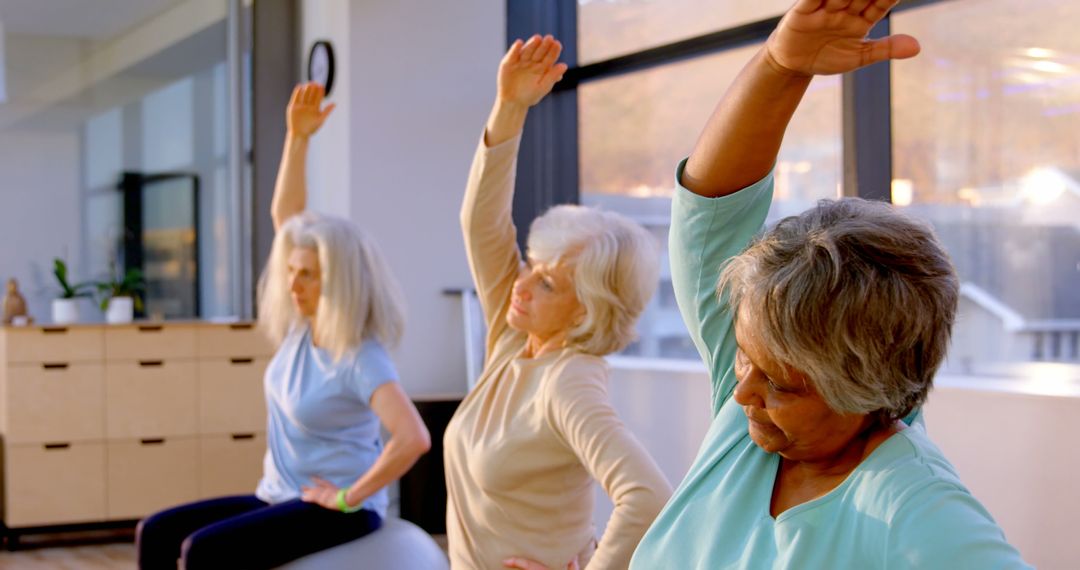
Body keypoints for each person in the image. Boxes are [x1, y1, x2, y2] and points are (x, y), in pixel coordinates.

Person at [628, 1, 1031, 568]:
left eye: (784, 385)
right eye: (744, 359)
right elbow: (709, 210)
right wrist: (781, 66)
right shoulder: (749, 421)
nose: (741, 390)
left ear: (867, 390)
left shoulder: (913, 507)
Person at [136, 83, 431, 569]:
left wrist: (348, 496)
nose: (293, 284)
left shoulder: (359, 354)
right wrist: (298, 139)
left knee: (202, 552)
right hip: (277, 494)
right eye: (291, 272)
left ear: (337, 281)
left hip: (337, 510)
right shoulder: (303, 327)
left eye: (307, 275)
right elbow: (286, 218)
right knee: (158, 532)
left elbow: (413, 437)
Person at [443, 35, 673, 570]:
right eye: (530, 266)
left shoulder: (567, 380)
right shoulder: (513, 338)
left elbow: (649, 498)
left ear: (587, 309)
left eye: (548, 283)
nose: (521, 285)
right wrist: (510, 106)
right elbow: (480, 223)